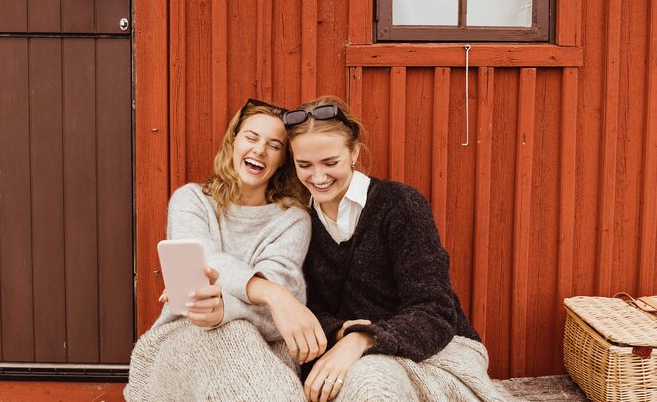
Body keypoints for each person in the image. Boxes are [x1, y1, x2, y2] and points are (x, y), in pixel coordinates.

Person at [284, 96, 504, 402]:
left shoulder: (399, 204)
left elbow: (435, 311)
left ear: (354, 153)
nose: (318, 177)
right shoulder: (298, 222)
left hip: (434, 351)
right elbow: (309, 308)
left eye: (330, 163)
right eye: (304, 165)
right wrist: (339, 333)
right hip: (349, 357)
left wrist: (361, 340)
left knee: (371, 381)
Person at [125, 99, 327, 402]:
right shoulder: (191, 201)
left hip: (266, 352)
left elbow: (277, 313)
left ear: (283, 160)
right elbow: (203, 257)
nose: (260, 150)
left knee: (238, 334)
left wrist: (225, 310)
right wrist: (272, 294)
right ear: (233, 142)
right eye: (251, 137)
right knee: (234, 336)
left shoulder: (292, 219)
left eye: (274, 145)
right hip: (185, 337)